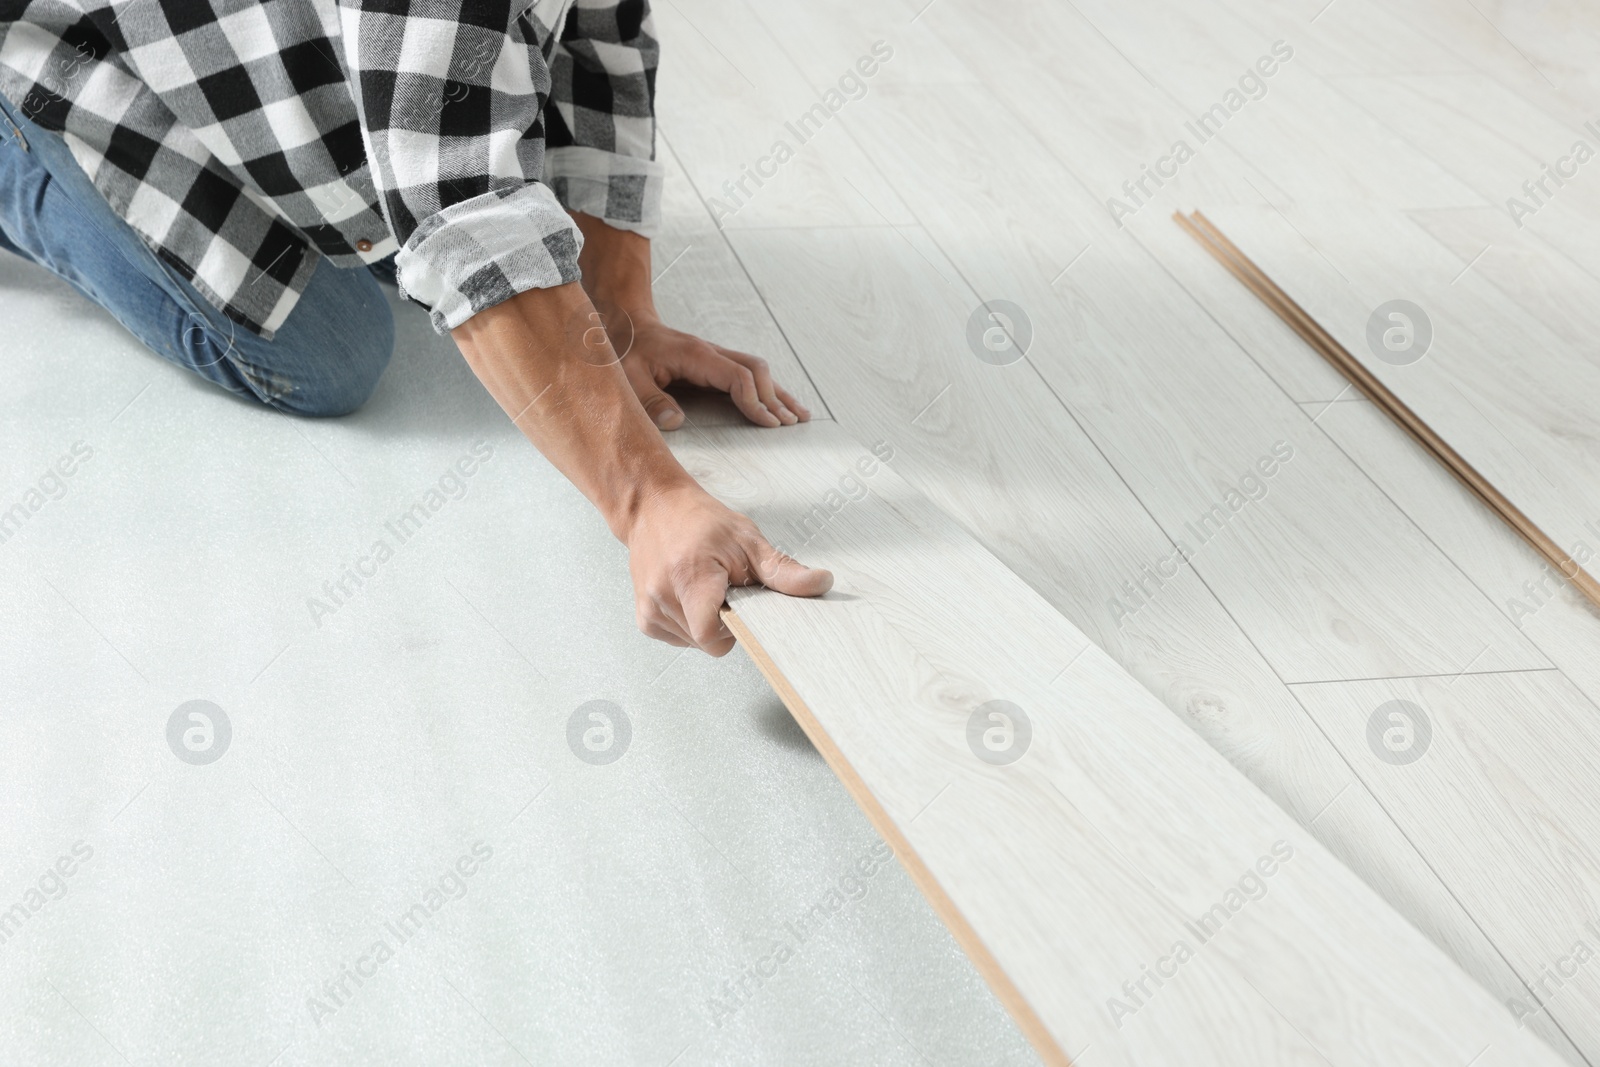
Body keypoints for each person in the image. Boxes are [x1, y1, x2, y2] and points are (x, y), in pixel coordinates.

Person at [0, 0, 832, 656]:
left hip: (235, 41)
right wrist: (649, 500)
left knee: (413, 227)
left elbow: (599, 45)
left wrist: (623, 315)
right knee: (329, 349)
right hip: (63, 43)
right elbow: (463, 200)